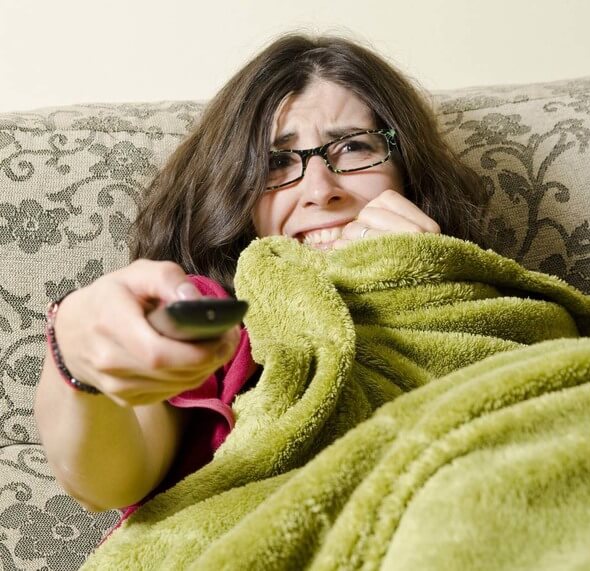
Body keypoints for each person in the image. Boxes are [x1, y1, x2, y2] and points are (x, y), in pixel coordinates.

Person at [34, 33, 486, 514]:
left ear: (406, 170)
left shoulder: (489, 294)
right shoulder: (214, 314)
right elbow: (108, 483)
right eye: (276, 161)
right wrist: (77, 354)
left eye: (353, 147)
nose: (319, 189)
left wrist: (432, 289)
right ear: (237, 194)